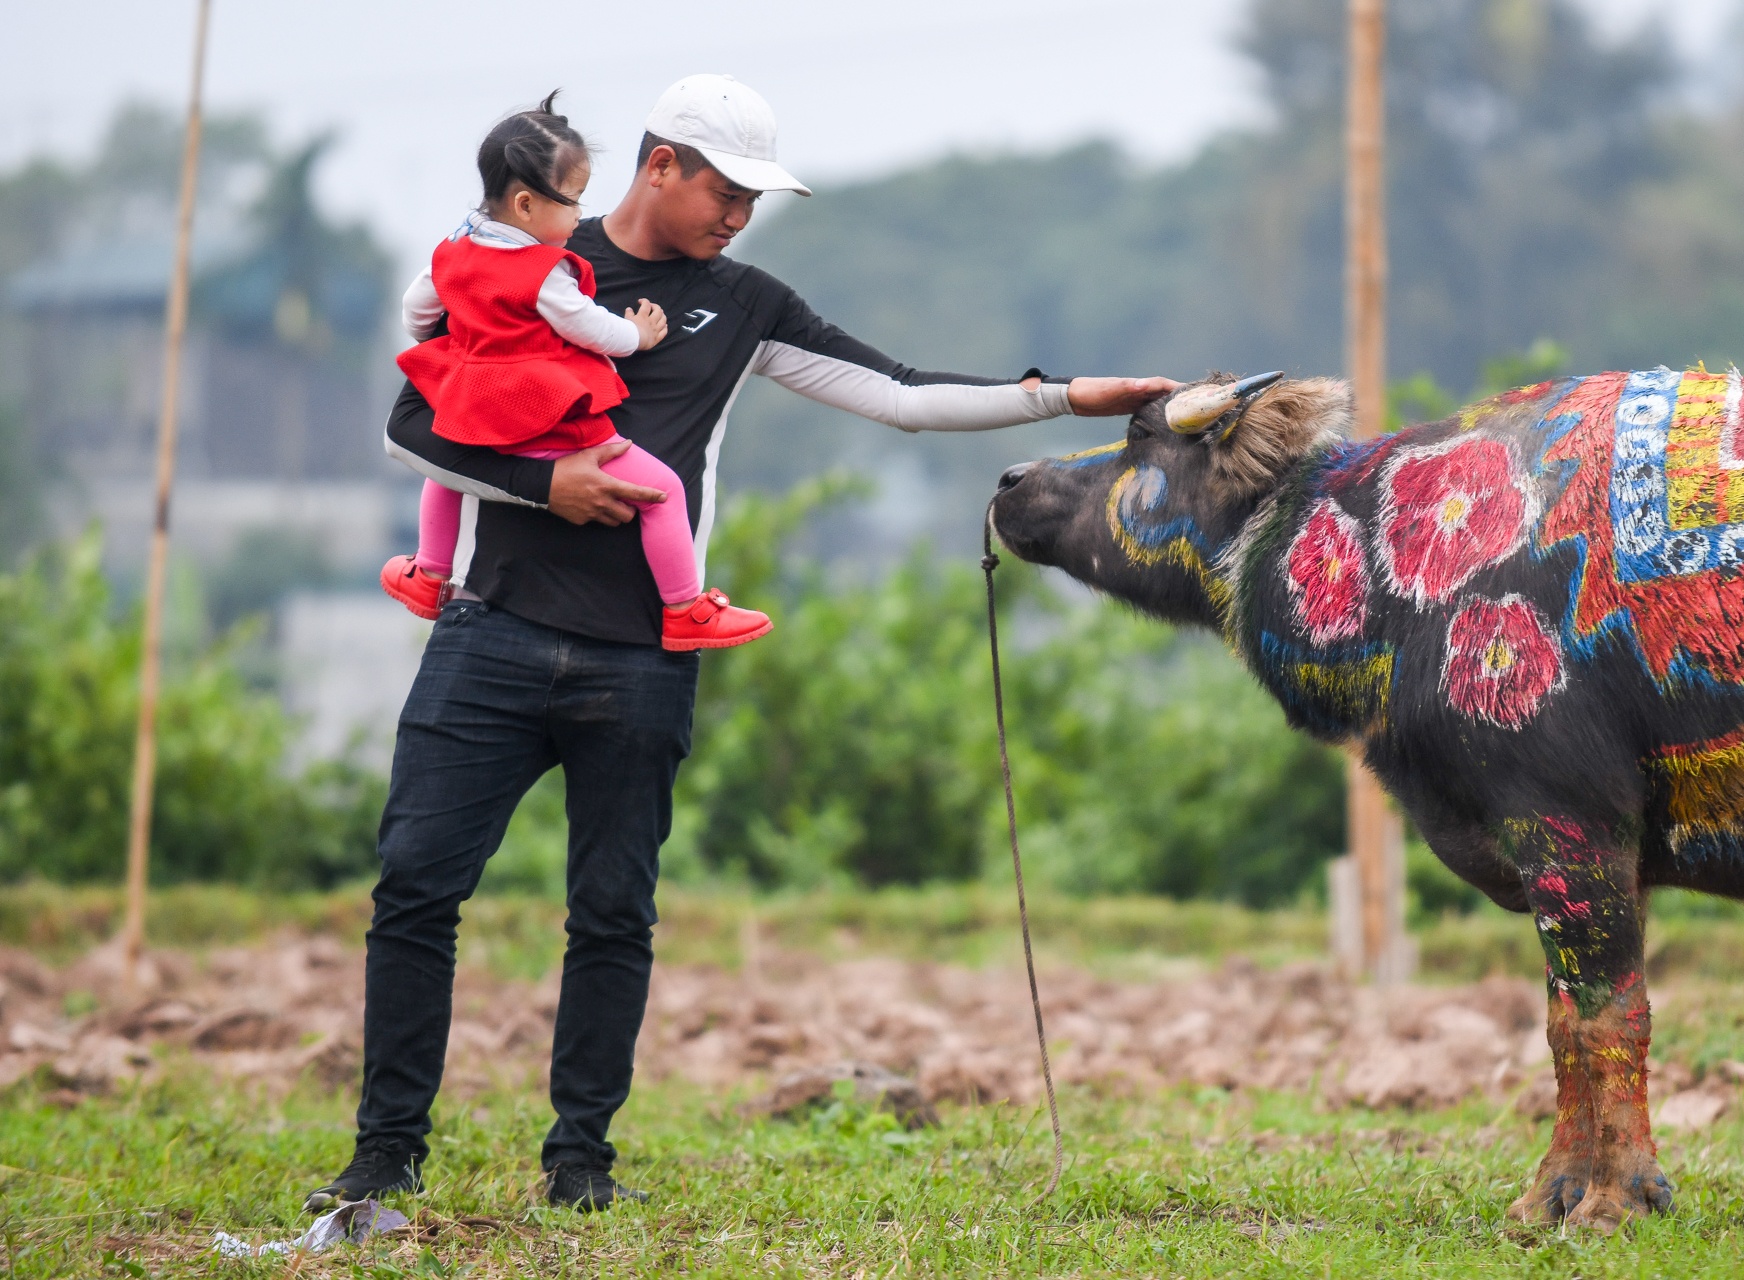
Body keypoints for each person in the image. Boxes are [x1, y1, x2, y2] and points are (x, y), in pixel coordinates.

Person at [307, 73, 1177, 1214]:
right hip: (489, 633)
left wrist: (1063, 397)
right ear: (659, 163)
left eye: (754, 200)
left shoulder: (747, 302)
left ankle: (580, 1164)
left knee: (613, 911)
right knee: (416, 890)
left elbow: (905, 396)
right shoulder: (531, 263)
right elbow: (409, 424)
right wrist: (544, 482)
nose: (737, 216)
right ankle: (384, 1154)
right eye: (724, 189)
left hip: (643, 658)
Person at [382, 92, 771, 651]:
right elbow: (589, 327)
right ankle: (685, 608)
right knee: (660, 488)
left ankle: (429, 575)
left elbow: (417, 309)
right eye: (572, 201)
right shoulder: (545, 270)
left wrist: (453, 346)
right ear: (524, 206)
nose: (579, 216)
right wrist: (638, 334)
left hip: (473, 395)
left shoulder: (453, 249)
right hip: (543, 408)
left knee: (446, 469)